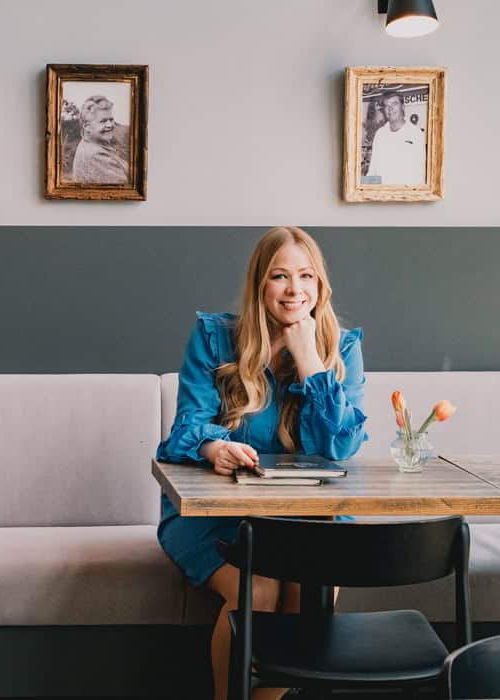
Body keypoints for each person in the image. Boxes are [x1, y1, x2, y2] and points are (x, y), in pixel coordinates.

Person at [155, 226, 367, 700]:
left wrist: (308, 356)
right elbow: (185, 427)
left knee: (307, 596)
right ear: (260, 284)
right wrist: (214, 449)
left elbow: (339, 448)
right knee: (260, 591)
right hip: (217, 518)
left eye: (306, 276)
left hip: (309, 518)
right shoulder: (216, 338)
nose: (295, 290)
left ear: (320, 284)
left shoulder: (342, 348)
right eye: (280, 276)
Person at [365, 92, 425, 185]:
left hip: (404, 195)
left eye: (394, 104)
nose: (390, 108)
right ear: (384, 110)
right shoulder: (380, 134)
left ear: (403, 107)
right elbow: (373, 170)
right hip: (381, 194)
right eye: (386, 105)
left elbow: (419, 173)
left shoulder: (416, 133)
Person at [71, 95, 129, 184]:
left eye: (111, 120)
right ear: (87, 127)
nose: (110, 125)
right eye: (103, 121)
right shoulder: (95, 156)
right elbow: (125, 191)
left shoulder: (94, 144)